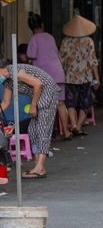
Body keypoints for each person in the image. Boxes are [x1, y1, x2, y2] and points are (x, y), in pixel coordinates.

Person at [0, 58, 61, 179]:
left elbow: (38, 83)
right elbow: (5, 102)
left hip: (47, 92)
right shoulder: (7, 81)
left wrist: (33, 105)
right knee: (33, 130)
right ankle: (39, 166)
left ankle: (39, 168)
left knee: (43, 129)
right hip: (37, 95)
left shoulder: (14, 72)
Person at [26, 12, 72, 140]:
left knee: (43, 105)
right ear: (42, 24)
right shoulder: (50, 37)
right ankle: (67, 132)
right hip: (58, 73)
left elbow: (31, 56)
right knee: (60, 104)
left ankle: (47, 133)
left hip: (44, 76)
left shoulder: (34, 39)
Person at [59, 13, 100, 137]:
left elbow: (61, 60)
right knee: (85, 102)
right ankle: (80, 126)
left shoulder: (65, 41)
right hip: (85, 76)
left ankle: (73, 124)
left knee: (70, 102)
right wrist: (96, 77)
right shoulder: (89, 41)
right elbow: (93, 60)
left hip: (69, 76)